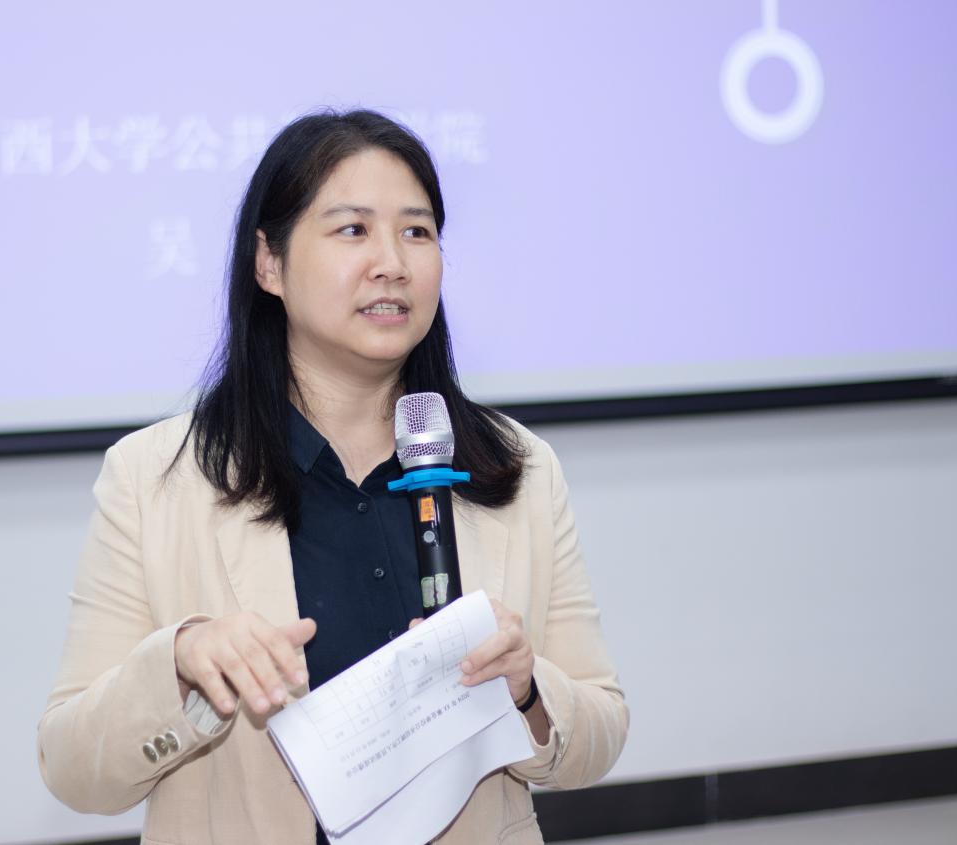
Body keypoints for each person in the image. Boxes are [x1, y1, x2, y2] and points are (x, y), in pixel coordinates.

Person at [37, 109, 628, 844]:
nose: (392, 262)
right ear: (269, 263)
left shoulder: (518, 467)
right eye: (352, 230)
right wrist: (180, 664)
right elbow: (73, 769)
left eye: (417, 231)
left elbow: (601, 728)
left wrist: (528, 688)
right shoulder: (154, 478)